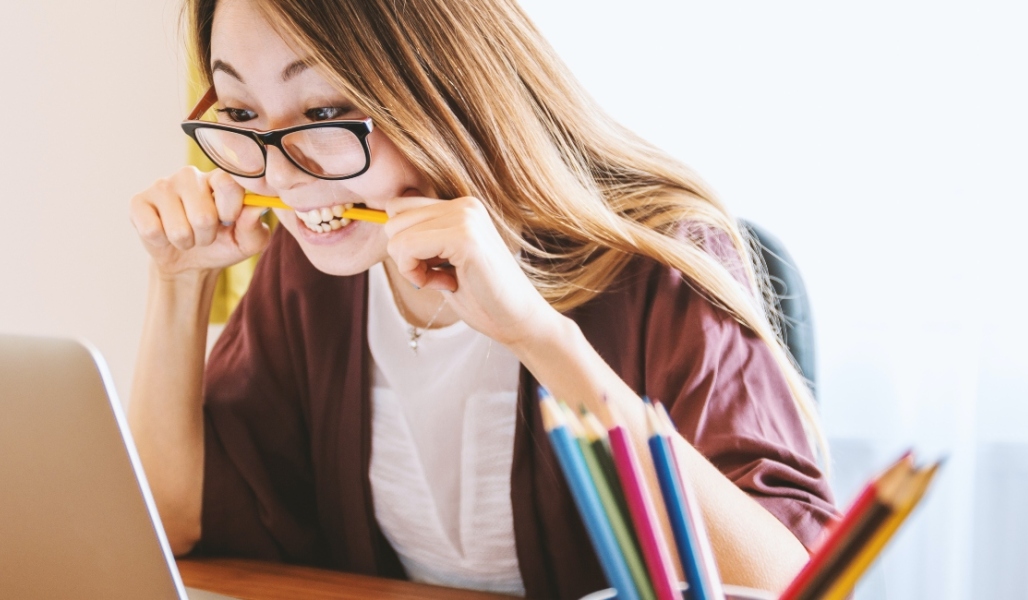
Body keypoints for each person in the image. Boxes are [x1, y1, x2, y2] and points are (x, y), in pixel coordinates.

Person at [126, 0, 838, 597]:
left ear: (442, 87)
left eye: (326, 108)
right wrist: (180, 282)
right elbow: (171, 521)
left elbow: (783, 583)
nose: (282, 175)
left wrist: (539, 336)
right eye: (245, 113)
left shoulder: (656, 263)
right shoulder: (313, 269)